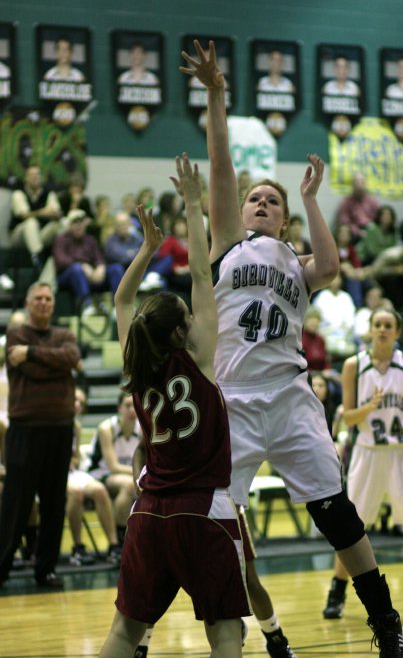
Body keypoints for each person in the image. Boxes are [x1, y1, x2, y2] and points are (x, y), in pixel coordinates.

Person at [181, 38, 403, 657]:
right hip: (233, 403)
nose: (259, 202)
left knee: (335, 514)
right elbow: (221, 166)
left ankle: (385, 621)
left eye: (271, 200)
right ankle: (252, 631)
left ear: (283, 219)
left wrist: (311, 199)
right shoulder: (229, 243)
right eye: (257, 197)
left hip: (288, 396)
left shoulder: (297, 260)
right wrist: (217, 93)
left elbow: (333, 267)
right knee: (213, 524)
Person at [98, 154, 251, 658]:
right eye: (187, 315)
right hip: (203, 507)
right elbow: (203, 278)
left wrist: (145, 249)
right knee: (226, 630)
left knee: (124, 631)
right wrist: (192, 203)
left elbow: (123, 303)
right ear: (182, 330)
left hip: (148, 511)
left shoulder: (136, 364)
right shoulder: (199, 360)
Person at [322, 307, 403, 620]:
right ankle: (337, 592)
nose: (382, 329)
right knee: (351, 530)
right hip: (366, 453)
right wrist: (370, 407)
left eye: (388, 325)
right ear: (370, 329)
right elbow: (348, 416)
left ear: (397, 332)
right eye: (377, 324)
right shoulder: (354, 365)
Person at [0, 282, 80, 588]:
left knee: (54, 502)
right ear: (28, 303)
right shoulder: (15, 334)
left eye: (49, 298)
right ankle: (2, 567)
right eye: (39, 298)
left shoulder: (65, 335)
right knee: (15, 503)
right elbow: (50, 366)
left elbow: (70, 356)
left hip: (60, 429)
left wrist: (32, 354)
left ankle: (46, 569)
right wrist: (57, 362)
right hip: (25, 430)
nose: (45, 303)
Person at [67, 387, 122, 566]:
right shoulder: (49, 421)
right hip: (51, 474)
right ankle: (77, 547)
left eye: (81, 403)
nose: (77, 405)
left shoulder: (75, 426)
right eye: (75, 400)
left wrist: (73, 461)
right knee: (76, 493)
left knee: (99, 489)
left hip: (71, 472)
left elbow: (74, 457)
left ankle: (114, 546)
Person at [86, 392, 141, 545]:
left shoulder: (143, 427)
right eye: (127, 406)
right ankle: (119, 537)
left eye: (135, 406)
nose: (132, 410)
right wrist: (139, 474)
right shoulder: (107, 428)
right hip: (100, 473)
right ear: (119, 408)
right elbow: (113, 466)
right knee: (129, 485)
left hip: (127, 475)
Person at [52, 209, 123, 317]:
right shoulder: (61, 239)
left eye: (80, 223)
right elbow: (61, 260)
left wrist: (100, 267)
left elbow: (98, 257)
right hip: (67, 276)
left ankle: (118, 306)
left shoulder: (90, 240)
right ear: (69, 225)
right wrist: (82, 265)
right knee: (76, 269)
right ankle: (86, 305)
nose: (78, 226)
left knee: (116, 268)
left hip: (91, 275)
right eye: (75, 223)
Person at [9, 164, 62, 276]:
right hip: (19, 236)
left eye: (37, 174)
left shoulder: (48, 193)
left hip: (40, 236)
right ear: (26, 178)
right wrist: (42, 212)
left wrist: (54, 214)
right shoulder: (19, 193)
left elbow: (57, 213)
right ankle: (38, 259)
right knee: (31, 222)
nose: (35, 177)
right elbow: (24, 215)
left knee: (58, 224)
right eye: (31, 175)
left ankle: (60, 256)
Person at [335, 172, 380, 242]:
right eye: (357, 182)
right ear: (352, 185)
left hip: (370, 230)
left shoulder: (372, 201)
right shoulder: (346, 202)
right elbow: (344, 222)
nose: (359, 185)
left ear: (365, 184)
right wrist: (358, 232)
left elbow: (378, 219)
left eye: (362, 182)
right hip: (354, 232)